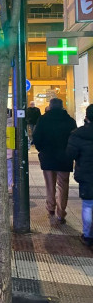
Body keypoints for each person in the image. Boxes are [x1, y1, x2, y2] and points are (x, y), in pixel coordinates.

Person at [32, 98, 77, 224]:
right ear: (62, 107)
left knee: (49, 184)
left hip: (48, 156)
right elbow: (73, 138)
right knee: (63, 185)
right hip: (64, 157)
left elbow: (36, 137)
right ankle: (61, 212)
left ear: (50, 107)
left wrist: (41, 149)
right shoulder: (70, 121)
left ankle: (51, 207)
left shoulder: (43, 120)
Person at [67, 103, 93, 248]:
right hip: (86, 174)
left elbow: (70, 154)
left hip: (86, 174)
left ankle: (88, 236)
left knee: (88, 204)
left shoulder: (79, 134)